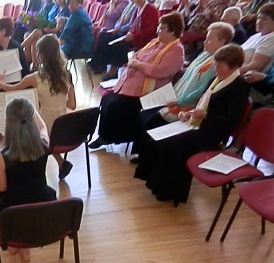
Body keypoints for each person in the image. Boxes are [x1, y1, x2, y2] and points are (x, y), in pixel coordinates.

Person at [134, 44, 251, 205]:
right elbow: (202, 103)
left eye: (220, 66)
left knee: (173, 146)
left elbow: (231, 121)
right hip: (199, 122)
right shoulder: (216, 80)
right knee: (159, 138)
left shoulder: (239, 87)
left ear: (234, 66)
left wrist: (206, 115)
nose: (215, 69)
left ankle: (170, 192)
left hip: (213, 131)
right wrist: (188, 113)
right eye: (215, 65)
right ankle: (156, 184)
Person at [129, 21, 235, 161]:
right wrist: (171, 93)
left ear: (222, 42)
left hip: (188, 105)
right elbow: (185, 77)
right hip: (176, 97)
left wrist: (178, 101)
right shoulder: (204, 55)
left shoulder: (217, 65)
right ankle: (143, 154)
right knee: (144, 113)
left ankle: (148, 158)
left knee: (153, 120)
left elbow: (201, 92)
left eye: (209, 39)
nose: (204, 42)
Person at [89, 12, 185, 148]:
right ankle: (104, 136)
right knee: (107, 99)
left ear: (173, 31)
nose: (158, 30)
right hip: (130, 85)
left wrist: (138, 65)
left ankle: (112, 137)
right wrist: (133, 63)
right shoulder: (155, 42)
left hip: (148, 92)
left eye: (162, 28)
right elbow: (135, 55)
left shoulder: (176, 50)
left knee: (115, 105)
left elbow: (160, 71)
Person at [0, 34, 77, 179]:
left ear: (41, 55)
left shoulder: (35, 77)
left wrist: (0, 82)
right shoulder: (67, 75)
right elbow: (72, 105)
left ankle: (21, 170)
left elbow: (11, 89)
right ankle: (61, 163)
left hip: (45, 128)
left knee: (23, 125)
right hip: (64, 127)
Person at [0, 98, 57, 261]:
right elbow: (43, 128)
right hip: (42, 204)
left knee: (11, 211)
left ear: (7, 123)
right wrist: (33, 109)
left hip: (14, 209)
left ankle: (16, 242)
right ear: (32, 119)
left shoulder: (1, 156)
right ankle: (26, 246)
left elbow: (2, 187)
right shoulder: (44, 145)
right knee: (30, 212)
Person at [95, 0, 159, 80]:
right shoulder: (138, 9)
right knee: (113, 42)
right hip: (134, 37)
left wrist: (134, 36)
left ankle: (114, 71)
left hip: (143, 40)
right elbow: (132, 25)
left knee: (119, 46)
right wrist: (129, 33)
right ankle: (109, 68)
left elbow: (149, 30)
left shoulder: (151, 10)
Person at [90, 0, 139, 74]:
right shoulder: (130, 5)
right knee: (102, 36)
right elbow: (119, 19)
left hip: (124, 32)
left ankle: (102, 65)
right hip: (117, 29)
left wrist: (119, 29)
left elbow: (130, 24)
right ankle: (97, 63)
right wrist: (116, 28)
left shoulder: (130, 5)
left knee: (106, 40)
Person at [20, 0, 70, 66]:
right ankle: (30, 64)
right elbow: (47, 19)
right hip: (47, 29)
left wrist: (51, 30)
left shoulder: (67, 10)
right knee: (30, 38)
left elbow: (63, 27)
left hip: (55, 34)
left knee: (36, 32)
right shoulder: (55, 7)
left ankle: (19, 49)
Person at [240, 3, 274, 75]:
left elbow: (255, 67)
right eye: (258, 18)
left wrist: (231, 73)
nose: (258, 22)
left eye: (264, 19)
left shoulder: (271, 38)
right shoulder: (256, 36)